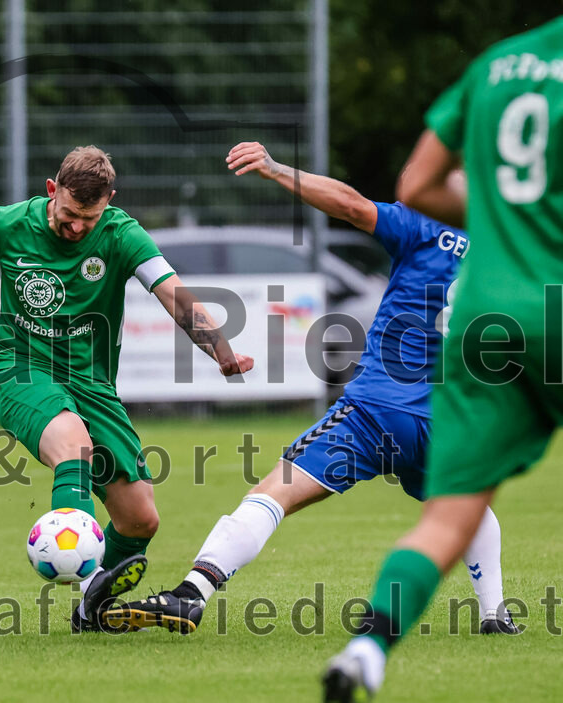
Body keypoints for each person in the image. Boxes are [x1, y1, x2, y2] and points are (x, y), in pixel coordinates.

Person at [105, 141, 516, 638]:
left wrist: (277, 169)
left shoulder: (423, 226)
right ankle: (496, 614)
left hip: (377, 410)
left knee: (274, 493)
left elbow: (351, 205)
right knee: (466, 503)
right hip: (444, 421)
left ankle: (192, 593)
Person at [0, 146, 253, 632]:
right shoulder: (8, 225)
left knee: (140, 519)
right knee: (73, 443)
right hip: (21, 369)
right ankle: (87, 573)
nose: (77, 227)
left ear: (109, 202)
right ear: (51, 190)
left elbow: (173, 294)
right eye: (68, 215)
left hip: (92, 384)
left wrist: (220, 349)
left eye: (89, 218)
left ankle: (91, 611)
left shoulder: (122, 234)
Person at [323, 18, 563, 701]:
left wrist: (503, 214)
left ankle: (369, 647)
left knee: (451, 512)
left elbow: (418, 185)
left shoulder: (495, 66)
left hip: (485, 323)